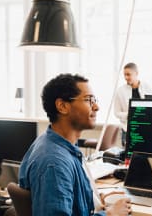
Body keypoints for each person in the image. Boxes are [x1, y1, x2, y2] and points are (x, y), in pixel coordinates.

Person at [19, 74, 132, 216]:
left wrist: (93, 199)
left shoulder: (57, 144)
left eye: (94, 100)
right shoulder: (54, 164)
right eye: (88, 100)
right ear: (62, 106)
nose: (96, 107)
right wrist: (110, 215)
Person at [114, 62, 152, 146]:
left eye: (128, 74)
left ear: (136, 73)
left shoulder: (147, 88)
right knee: (128, 157)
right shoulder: (120, 91)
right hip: (128, 130)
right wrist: (129, 114)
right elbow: (116, 113)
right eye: (124, 75)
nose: (126, 77)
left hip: (145, 129)